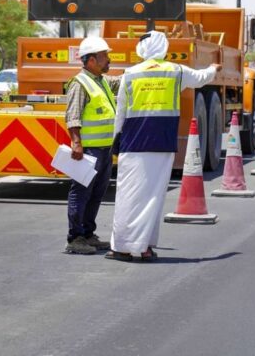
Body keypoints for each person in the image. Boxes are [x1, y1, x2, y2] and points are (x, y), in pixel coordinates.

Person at [106, 31, 221, 262]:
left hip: (133, 142)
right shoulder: (176, 71)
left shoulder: (130, 74)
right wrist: (213, 68)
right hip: (162, 141)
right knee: (154, 197)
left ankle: (123, 247)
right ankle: (144, 247)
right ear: (164, 47)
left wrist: (115, 139)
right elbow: (200, 78)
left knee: (128, 195)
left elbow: (121, 111)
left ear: (142, 49)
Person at [63, 36, 121, 255]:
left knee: (96, 193)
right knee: (81, 193)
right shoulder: (80, 84)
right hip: (88, 151)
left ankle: (88, 234)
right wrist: (76, 143)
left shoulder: (102, 81)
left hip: (105, 150)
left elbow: (123, 81)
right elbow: (73, 116)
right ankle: (75, 238)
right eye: (105, 56)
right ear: (91, 60)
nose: (109, 60)